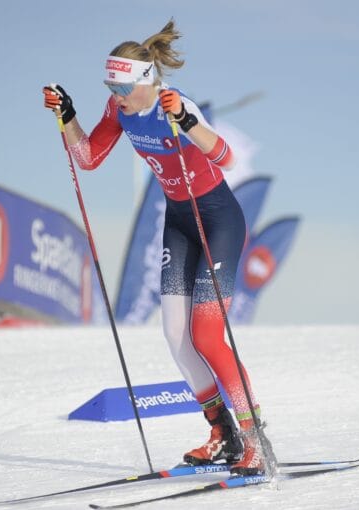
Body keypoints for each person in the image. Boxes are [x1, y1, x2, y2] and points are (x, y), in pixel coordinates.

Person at [43, 19, 269, 476]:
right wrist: (67, 117)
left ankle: (253, 437)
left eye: (123, 84)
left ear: (145, 80)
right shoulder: (119, 109)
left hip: (218, 220)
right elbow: (87, 158)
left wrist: (187, 125)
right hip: (180, 223)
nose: (117, 93)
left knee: (206, 334)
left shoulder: (174, 103)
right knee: (174, 336)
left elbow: (226, 158)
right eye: (111, 84)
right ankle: (221, 432)